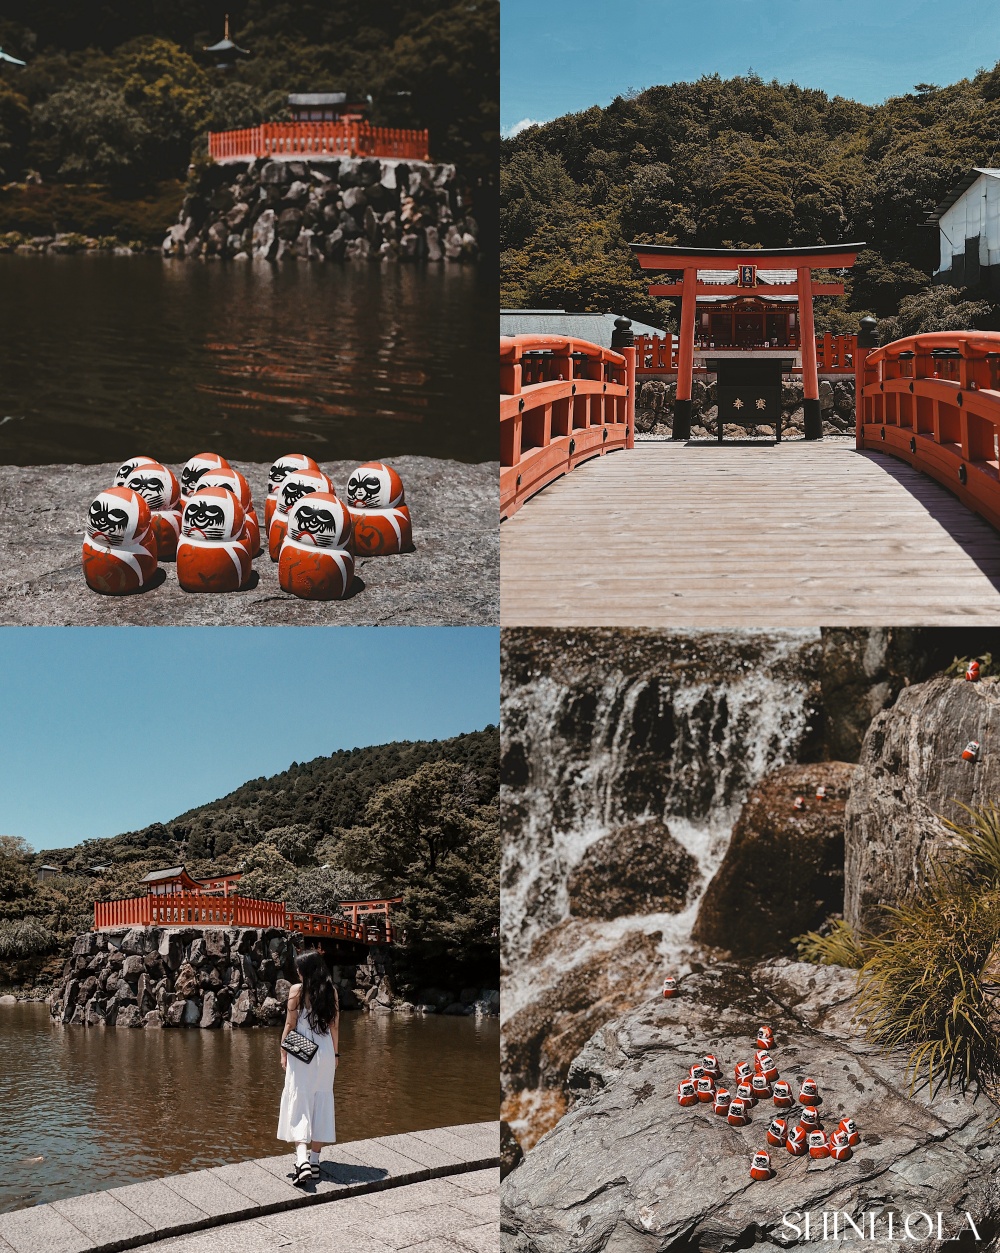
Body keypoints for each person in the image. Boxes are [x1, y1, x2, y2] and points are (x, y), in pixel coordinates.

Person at [277, 948, 340, 1186]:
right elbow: (334, 1026)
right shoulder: (330, 992)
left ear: (305, 970)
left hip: (301, 1051)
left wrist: (283, 1052)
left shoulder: (296, 991)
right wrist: (335, 1054)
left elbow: (289, 1025)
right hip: (324, 1051)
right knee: (320, 1102)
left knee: (299, 1101)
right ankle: (314, 1163)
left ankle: (301, 1160)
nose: (297, 971)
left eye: (299, 968)